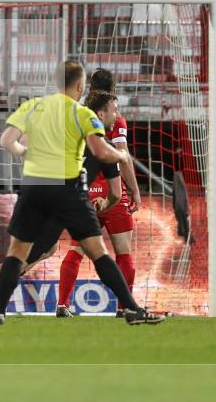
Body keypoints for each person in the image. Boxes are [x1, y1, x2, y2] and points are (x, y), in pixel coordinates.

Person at [0, 59, 163, 326]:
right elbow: (101, 151)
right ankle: (132, 310)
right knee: (98, 252)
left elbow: (9, 141)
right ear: (80, 85)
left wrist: (27, 155)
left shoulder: (35, 106)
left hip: (33, 187)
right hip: (67, 190)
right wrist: (122, 156)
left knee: (17, 253)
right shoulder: (84, 113)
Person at [0, 89, 122, 321]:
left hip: (43, 199)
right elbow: (117, 193)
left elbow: (23, 142)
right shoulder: (98, 143)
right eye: (115, 109)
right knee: (21, 258)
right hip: (52, 206)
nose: (118, 114)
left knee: (45, 251)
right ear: (100, 114)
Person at [58, 69, 138, 318]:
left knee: (76, 249)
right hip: (111, 189)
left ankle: (62, 304)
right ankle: (124, 307)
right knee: (123, 251)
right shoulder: (116, 120)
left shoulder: (77, 116)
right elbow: (122, 157)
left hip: (82, 188)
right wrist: (134, 189)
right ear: (112, 91)